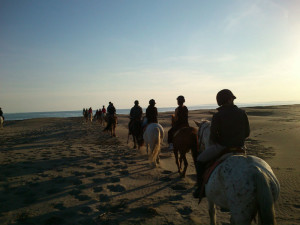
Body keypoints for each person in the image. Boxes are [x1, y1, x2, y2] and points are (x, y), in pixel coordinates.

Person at [193, 89, 250, 201]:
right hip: (240, 148)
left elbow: (213, 137)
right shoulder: (242, 113)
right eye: (232, 99)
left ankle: (201, 188)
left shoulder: (218, 116)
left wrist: (223, 140)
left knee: (199, 160)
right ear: (229, 100)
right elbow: (247, 133)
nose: (233, 101)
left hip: (223, 147)